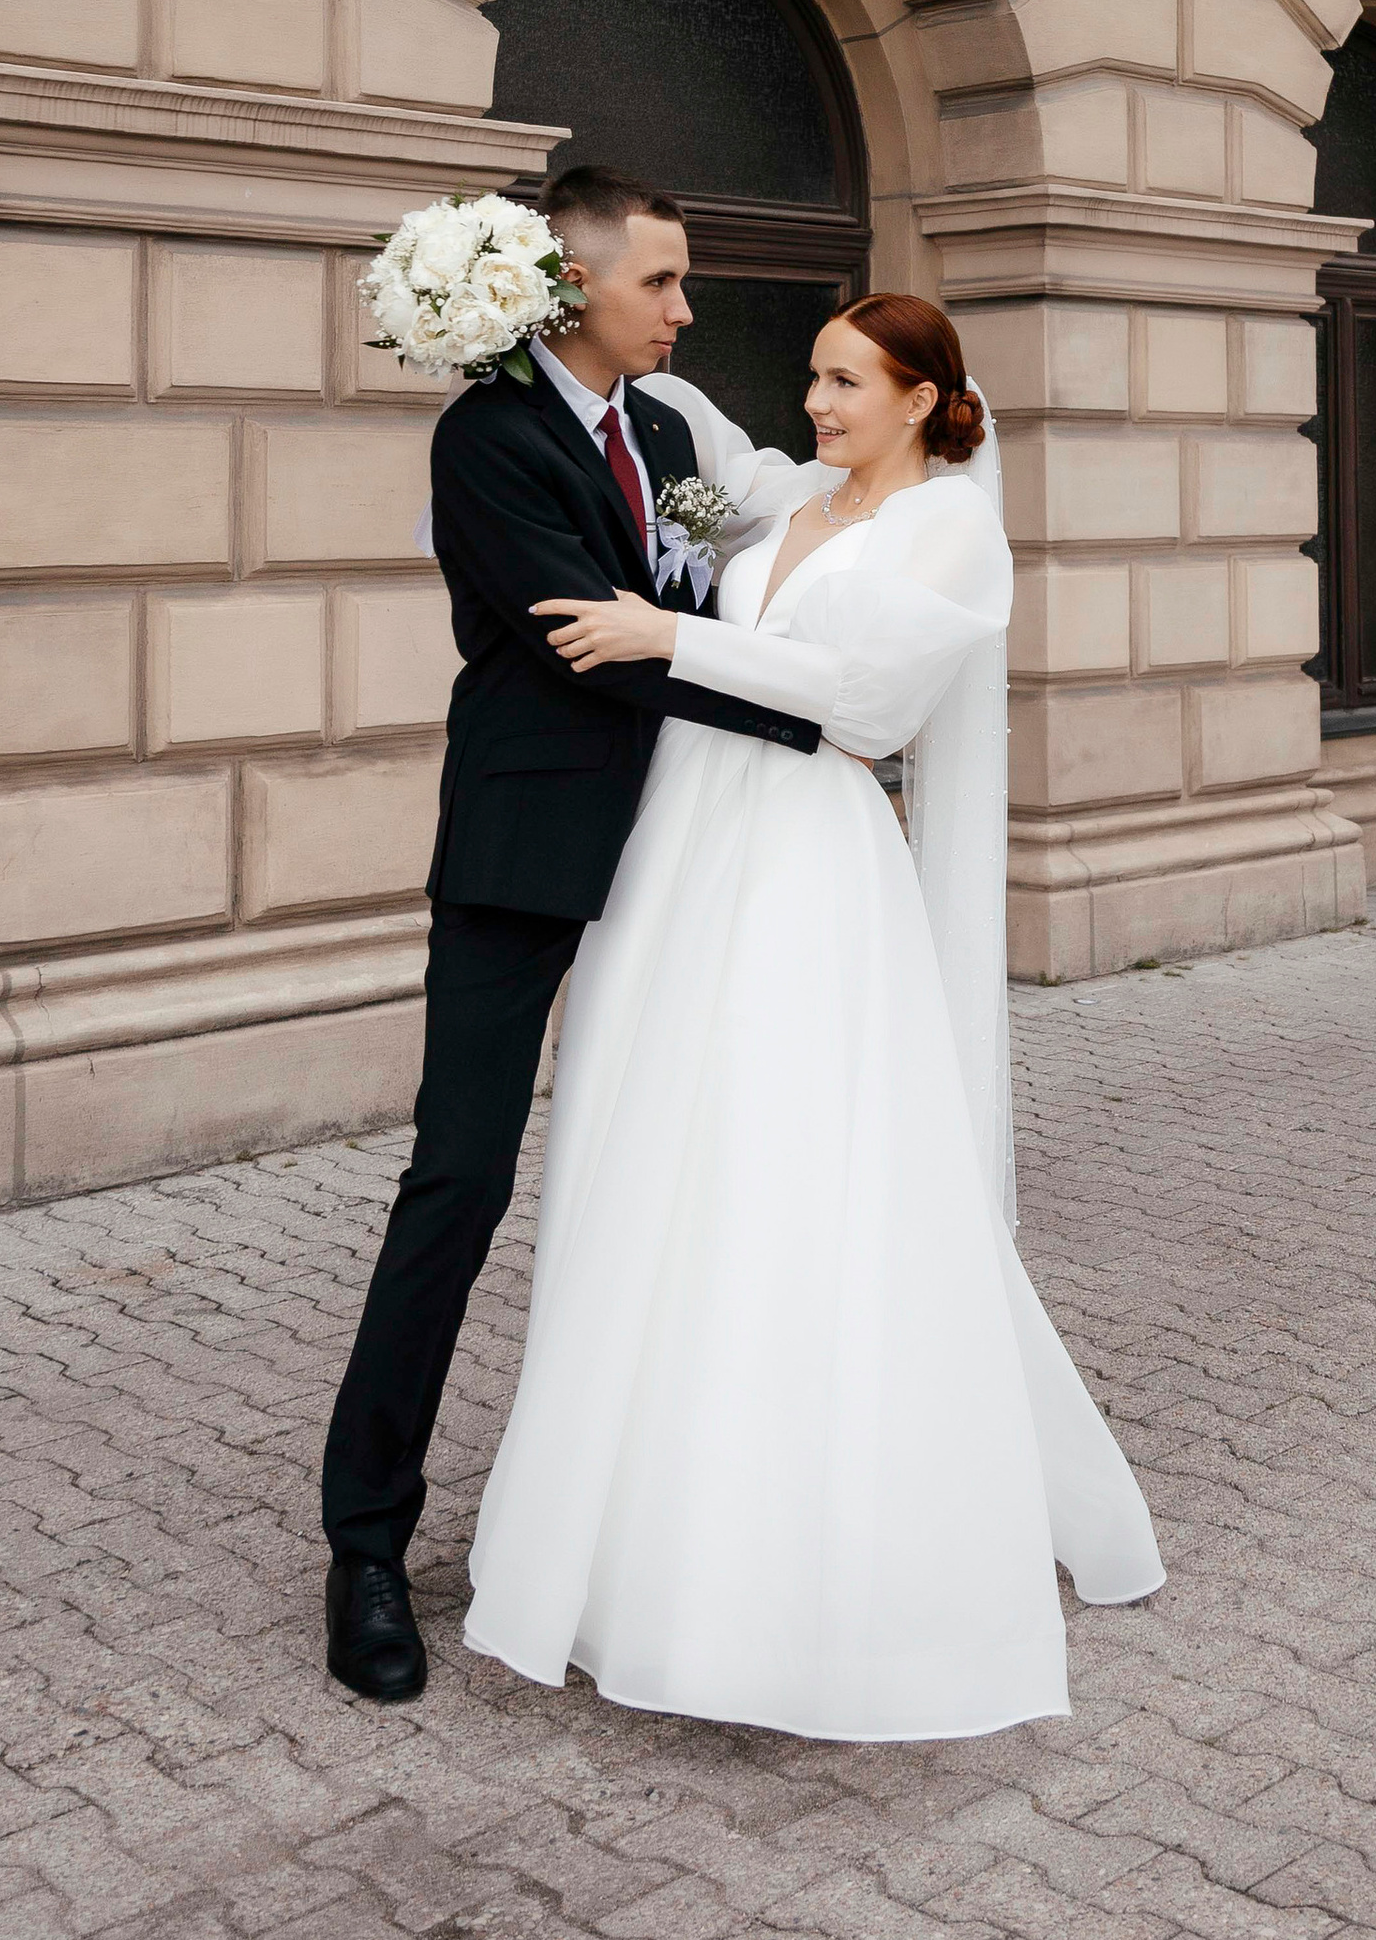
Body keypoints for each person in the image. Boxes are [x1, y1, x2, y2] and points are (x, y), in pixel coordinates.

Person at [462, 293, 1162, 1742]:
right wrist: (520, 317)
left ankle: (789, 1543)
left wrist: (667, 635)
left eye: (847, 380)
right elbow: (668, 422)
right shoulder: (784, 503)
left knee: (786, 1157)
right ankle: (635, 1519)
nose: (820, 401)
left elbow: (868, 704)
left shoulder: (950, 533)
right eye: (814, 375)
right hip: (683, 845)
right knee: (657, 1150)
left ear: (922, 399)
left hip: (808, 855)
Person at [319, 163, 823, 1705]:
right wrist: (812, 718)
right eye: (661, 281)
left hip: (683, 845)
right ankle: (363, 1544)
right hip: (526, 849)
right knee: (461, 1180)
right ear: (574, 285)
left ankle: (659, 1508)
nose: (685, 309)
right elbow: (585, 642)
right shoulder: (487, 440)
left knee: (691, 1165)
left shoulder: (663, 435)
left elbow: (710, 584)